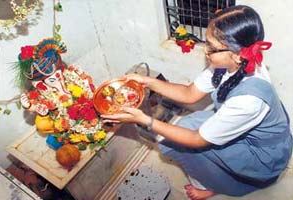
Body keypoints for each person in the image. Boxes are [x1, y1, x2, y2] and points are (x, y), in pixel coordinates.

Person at [101, 5, 292, 200]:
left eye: (211, 47)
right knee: (181, 128)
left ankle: (216, 185)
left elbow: (196, 139)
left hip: (261, 155)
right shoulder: (230, 62)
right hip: (244, 129)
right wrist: (147, 81)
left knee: (178, 143)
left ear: (237, 54)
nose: (205, 52)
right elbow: (190, 93)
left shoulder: (248, 101)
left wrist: (146, 121)